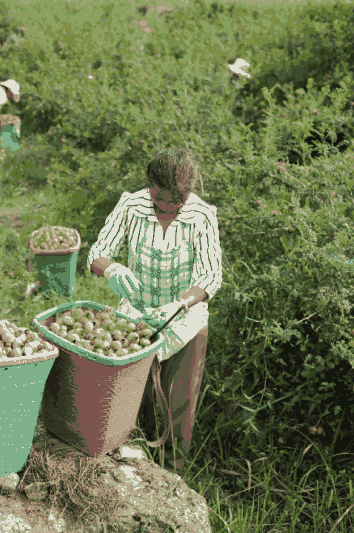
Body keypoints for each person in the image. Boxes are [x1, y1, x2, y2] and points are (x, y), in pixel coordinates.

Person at [86, 148, 222, 471]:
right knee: (135, 402)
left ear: (187, 194)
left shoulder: (201, 216)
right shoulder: (131, 206)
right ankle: (138, 469)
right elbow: (97, 254)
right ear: (150, 186)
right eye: (161, 199)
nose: (167, 207)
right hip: (136, 317)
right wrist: (111, 270)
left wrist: (181, 303)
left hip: (183, 320)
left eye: (175, 202)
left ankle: (173, 472)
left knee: (178, 402)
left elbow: (210, 275)